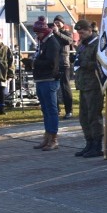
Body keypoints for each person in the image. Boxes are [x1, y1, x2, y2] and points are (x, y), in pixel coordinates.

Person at [72, 19, 105, 158]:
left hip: (94, 85)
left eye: (83, 32)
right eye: (79, 33)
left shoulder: (97, 43)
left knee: (93, 116)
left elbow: (100, 63)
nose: (81, 35)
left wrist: (83, 62)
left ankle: (97, 146)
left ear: (90, 30)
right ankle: (89, 143)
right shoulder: (83, 45)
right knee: (83, 117)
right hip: (83, 85)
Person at [31, 17, 62, 149]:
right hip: (41, 79)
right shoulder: (43, 42)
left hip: (49, 80)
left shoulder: (52, 43)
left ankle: (53, 138)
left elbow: (51, 63)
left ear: (43, 32)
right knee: (45, 109)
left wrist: (34, 63)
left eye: (38, 33)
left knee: (51, 110)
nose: (36, 36)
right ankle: (47, 136)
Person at [52, 15, 75, 119]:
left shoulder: (66, 32)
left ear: (62, 23)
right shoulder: (51, 34)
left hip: (64, 64)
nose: (56, 24)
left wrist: (57, 32)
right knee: (53, 88)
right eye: (55, 22)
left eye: (59, 22)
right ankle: (56, 110)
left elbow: (69, 41)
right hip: (53, 64)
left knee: (65, 87)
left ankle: (69, 110)